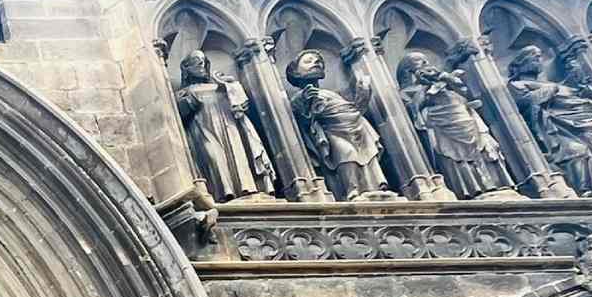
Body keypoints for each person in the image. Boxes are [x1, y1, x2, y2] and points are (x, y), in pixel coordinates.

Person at [507, 45, 592, 197]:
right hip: (558, 127)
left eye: (540, 57)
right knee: (577, 151)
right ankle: (589, 188)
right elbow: (527, 102)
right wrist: (554, 89)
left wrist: (576, 80)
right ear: (522, 63)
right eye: (535, 58)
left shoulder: (552, 83)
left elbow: (575, 91)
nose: (539, 61)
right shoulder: (516, 85)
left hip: (585, 121)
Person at [396, 53, 516, 199]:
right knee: (455, 154)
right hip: (443, 125)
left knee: (485, 148)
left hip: (466, 118)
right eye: (418, 61)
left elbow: (467, 94)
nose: (426, 62)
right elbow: (413, 109)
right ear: (408, 70)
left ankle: (496, 184)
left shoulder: (444, 80)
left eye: (425, 59)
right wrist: (426, 90)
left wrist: (446, 78)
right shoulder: (407, 91)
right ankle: (471, 188)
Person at [286, 50, 396, 200]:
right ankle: (352, 189)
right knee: (347, 153)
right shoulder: (299, 97)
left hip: (356, 128)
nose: (316, 63)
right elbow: (302, 122)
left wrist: (363, 93)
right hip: (332, 132)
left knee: (369, 155)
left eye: (319, 61)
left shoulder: (330, 93)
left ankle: (375, 186)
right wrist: (307, 105)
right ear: (295, 72)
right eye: (308, 61)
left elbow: (351, 110)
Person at [176, 50, 276, 201]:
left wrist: (228, 86)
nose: (201, 64)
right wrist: (194, 97)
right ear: (187, 68)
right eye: (196, 61)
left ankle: (246, 190)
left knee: (238, 156)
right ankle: (223, 194)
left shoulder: (220, 86)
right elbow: (179, 113)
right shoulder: (184, 92)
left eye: (203, 61)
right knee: (213, 156)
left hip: (229, 127)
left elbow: (241, 105)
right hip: (203, 130)